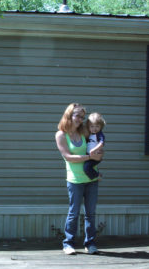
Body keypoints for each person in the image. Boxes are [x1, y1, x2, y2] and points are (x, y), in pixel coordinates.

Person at [55, 103, 103, 255]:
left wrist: (98, 155)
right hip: (75, 180)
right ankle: (68, 243)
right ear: (69, 115)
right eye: (78, 116)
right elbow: (69, 157)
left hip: (91, 179)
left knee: (90, 213)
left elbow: (98, 148)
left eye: (83, 117)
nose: (81, 119)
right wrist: (89, 157)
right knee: (73, 213)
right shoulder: (61, 135)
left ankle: (90, 243)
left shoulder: (85, 132)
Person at [83, 112, 106, 180]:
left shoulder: (99, 134)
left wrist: (94, 150)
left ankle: (97, 175)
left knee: (86, 167)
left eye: (97, 126)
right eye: (92, 126)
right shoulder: (89, 134)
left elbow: (101, 143)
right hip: (89, 155)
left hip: (95, 156)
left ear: (101, 126)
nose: (94, 128)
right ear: (88, 126)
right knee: (86, 166)